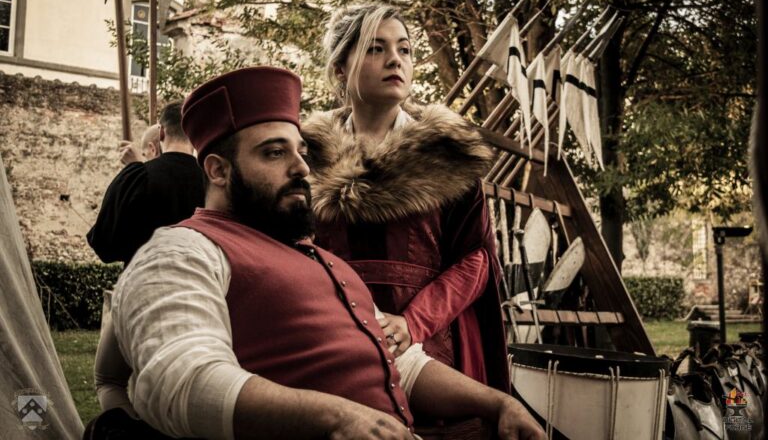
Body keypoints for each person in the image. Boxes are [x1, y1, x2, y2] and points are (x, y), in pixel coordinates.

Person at [102, 66, 544, 440]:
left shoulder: (327, 262)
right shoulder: (183, 249)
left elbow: (403, 365)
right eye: (274, 153)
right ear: (218, 170)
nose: (301, 167)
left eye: (300, 151)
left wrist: (498, 403)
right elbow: (180, 381)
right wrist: (338, 417)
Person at [302, 4, 508, 399]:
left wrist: (412, 322)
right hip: (332, 345)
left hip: (428, 349)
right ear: (341, 68)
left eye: (405, 49)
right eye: (376, 48)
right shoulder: (305, 158)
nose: (395, 59)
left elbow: (477, 260)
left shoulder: (447, 153)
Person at [87, 102, 205, 264]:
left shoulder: (138, 177)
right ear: (195, 133)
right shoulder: (212, 182)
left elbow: (104, 244)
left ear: (161, 132)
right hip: (199, 278)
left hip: (146, 276)